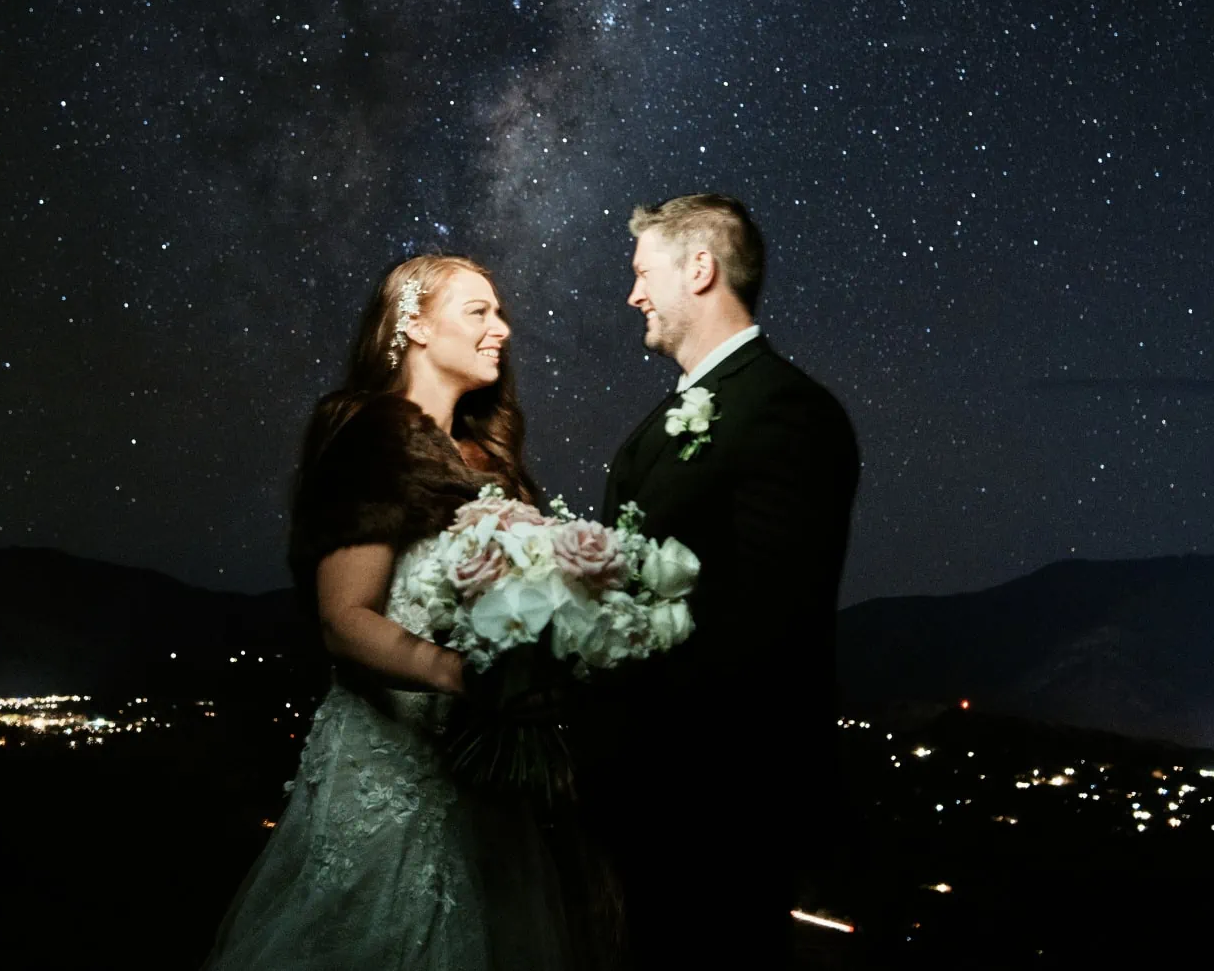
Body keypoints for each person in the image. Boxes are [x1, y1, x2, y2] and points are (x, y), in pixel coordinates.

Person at [203, 254, 575, 970]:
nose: (502, 328)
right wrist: (464, 674)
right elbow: (343, 618)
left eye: (500, 313)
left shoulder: (489, 462)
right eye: (479, 311)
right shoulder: (371, 437)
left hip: (485, 790)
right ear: (414, 325)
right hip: (390, 778)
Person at [590, 194, 860, 968]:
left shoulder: (787, 411)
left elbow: (773, 621)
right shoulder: (661, 418)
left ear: (700, 268)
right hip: (643, 792)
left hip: (717, 803)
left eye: (644, 273)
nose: (632, 294)